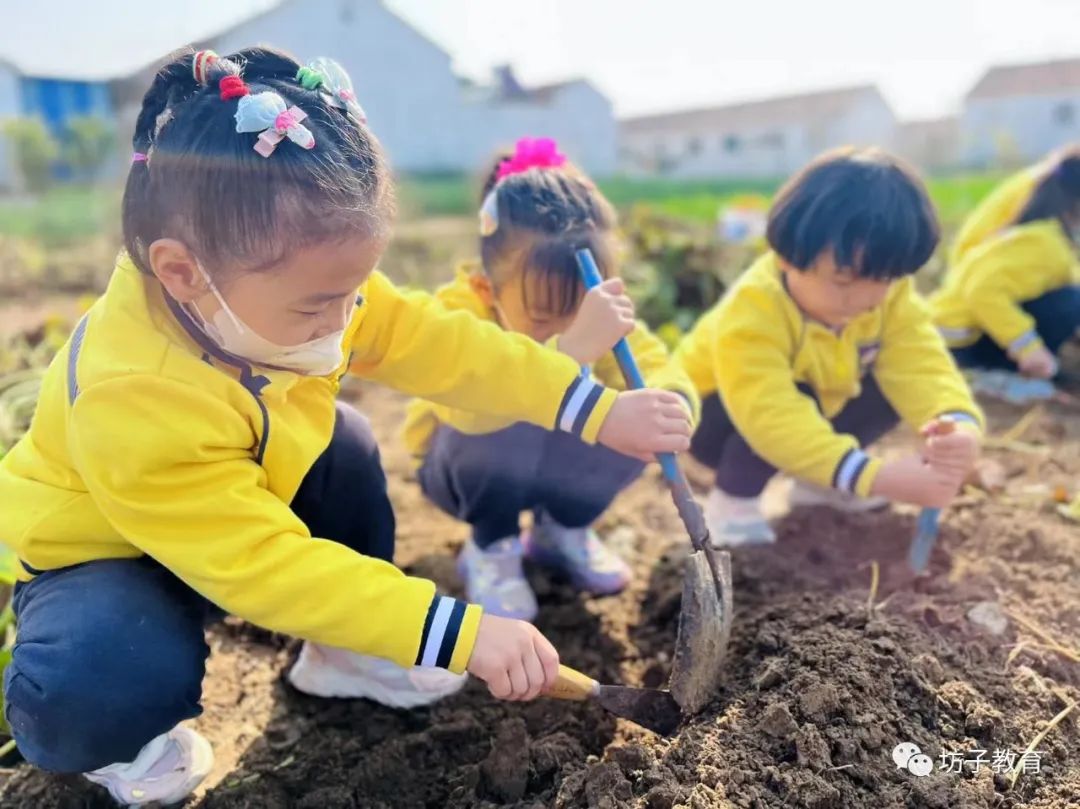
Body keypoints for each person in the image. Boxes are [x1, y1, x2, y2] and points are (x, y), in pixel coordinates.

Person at [0, 49, 691, 806]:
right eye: (315, 307)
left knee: (349, 441)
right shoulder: (132, 393)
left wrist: (593, 407)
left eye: (353, 293)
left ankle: (345, 651)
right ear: (181, 272)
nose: (343, 322)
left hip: (240, 492)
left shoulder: (293, 288)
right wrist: (456, 629)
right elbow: (263, 563)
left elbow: (444, 345)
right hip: (110, 555)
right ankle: (114, 737)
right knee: (102, 676)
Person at [404, 138, 699, 620]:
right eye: (544, 319)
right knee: (501, 413)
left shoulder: (606, 311)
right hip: (465, 468)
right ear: (487, 288)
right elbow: (467, 405)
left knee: (638, 414)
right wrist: (574, 350)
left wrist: (673, 401)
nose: (566, 329)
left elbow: (654, 362)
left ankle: (561, 530)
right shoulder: (459, 309)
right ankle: (493, 546)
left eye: (579, 316)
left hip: (550, 464)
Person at [675, 147, 983, 546]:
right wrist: (875, 477)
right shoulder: (752, 311)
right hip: (716, 419)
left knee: (889, 384)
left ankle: (821, 484)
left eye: (885, 280)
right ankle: (734, 502)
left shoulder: (890, 299)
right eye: (843, 280)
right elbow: (768, 412)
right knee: (791, 399)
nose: (865, 299)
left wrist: (956, 424)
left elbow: (922, 365)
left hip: (818, 403)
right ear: (786, 258)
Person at [932, 149, 1080, 378]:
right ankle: (1007, 370)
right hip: (957, 339)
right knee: (1071, 301)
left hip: (961, 330)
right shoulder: (1044, 243)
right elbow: (982, 289)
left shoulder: (1043, 234)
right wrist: (1028, 347)